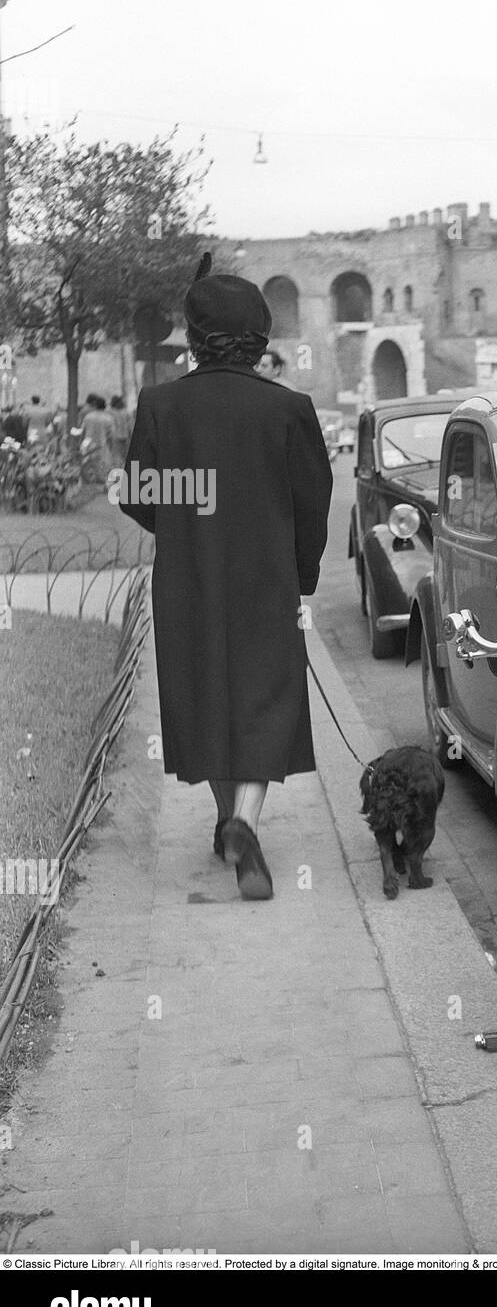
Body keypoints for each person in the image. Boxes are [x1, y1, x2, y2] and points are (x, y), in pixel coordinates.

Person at [118, 257, 333, 899]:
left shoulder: (162, 406)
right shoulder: (289, 409)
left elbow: (136, 493)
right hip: (267, 580)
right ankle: (243, 818)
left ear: (193, 332)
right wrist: (301, 573)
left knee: (204, 693)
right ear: (260, 335)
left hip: (188, 580)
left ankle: (228, 823)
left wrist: (187, 528)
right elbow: (312, 501)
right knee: (266, 698)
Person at [80, 394, 117, 476]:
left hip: (88, 447)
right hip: (102, 448)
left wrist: (81, 445)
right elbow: (111, 436)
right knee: (103, 471)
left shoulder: (88, 417)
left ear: (95, 405)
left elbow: (83, 432)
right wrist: (111, 449)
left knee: (88, 470)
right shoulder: (109, 418)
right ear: (105, 406)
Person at [109, 395, 134, 465]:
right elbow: (130, 426)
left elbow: (130, 425)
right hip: (120, 437)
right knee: (121, 455)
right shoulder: (125, 412)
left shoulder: (112, 412)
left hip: (120, 437)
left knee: (121, 455)